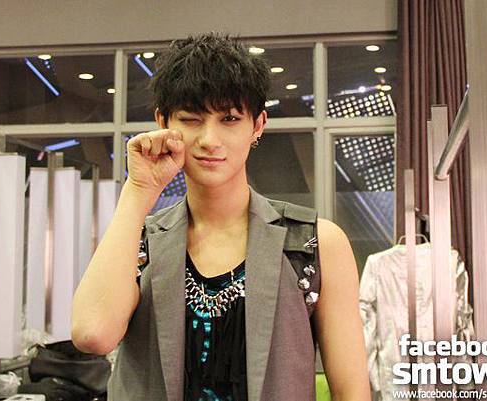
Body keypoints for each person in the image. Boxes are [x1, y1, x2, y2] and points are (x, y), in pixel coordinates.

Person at [71, 32, 370, 401]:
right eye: (191, 119)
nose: (209, 139)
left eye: (229, 118)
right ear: (163, 121)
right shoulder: (139, 240)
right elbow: (92, 334)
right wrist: (138, 191)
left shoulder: (311, 243)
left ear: (257, 125)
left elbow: (352, 392)